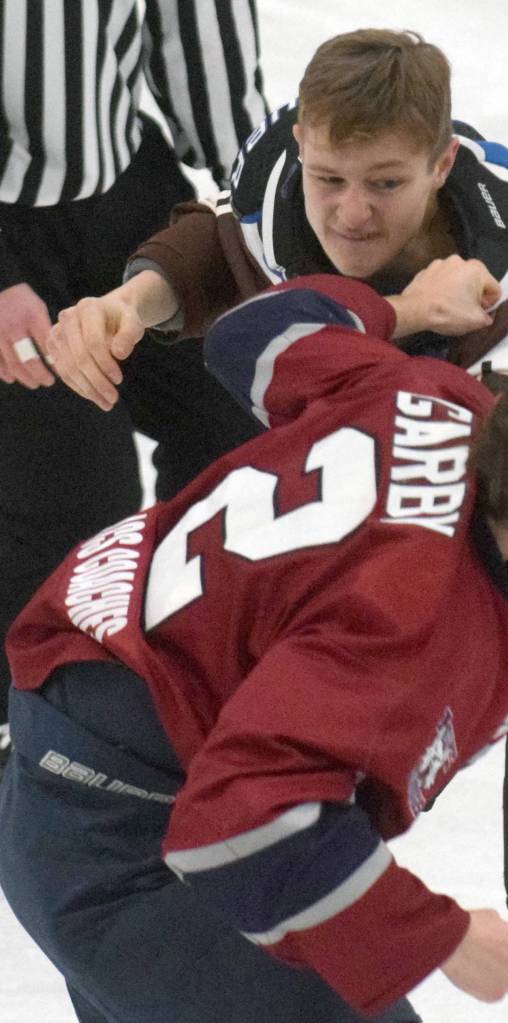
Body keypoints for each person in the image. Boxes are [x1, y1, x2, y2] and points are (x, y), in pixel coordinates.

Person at [40, 29, 508, 1023]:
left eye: (384, 186)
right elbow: (238, 240)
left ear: (442, 162)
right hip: (484, 501)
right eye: (329, 178)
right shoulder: (286, 168)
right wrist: (134, 300)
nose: (349, 214)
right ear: (301, 140)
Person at [0, 0, 268, 770]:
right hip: (10, 235)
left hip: (127, 195)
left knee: (237, 416)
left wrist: (270, 204)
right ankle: (33, 734)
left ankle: (184, 675)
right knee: (75, 501)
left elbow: (204, 48)